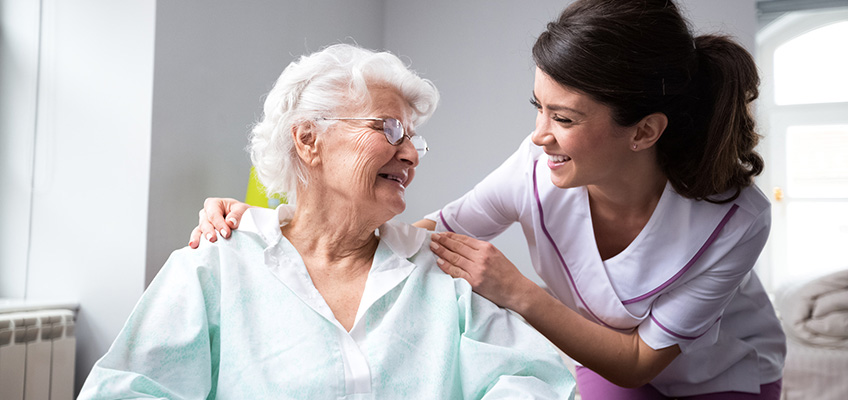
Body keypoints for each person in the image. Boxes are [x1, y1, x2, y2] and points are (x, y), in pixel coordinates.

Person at [191, 0, 787, 398]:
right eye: (538, 108)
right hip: (606, 365)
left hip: (717, 373)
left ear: (644, 132)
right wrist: (274, 227)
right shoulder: (535, 166)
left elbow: (637, 363)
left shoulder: (736, 220)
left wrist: (515, 290)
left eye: (564, 117)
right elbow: (425, 234)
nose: (538, 135)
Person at [79, 44, 575, 399]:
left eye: (414, 138)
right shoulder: (216, 264)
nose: (411, 154)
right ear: (308, 140)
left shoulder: (446, 271)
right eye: (389, 128)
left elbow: (532, 381)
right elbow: (130, 388)